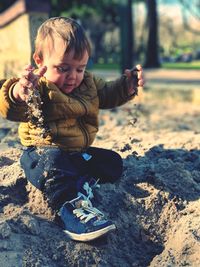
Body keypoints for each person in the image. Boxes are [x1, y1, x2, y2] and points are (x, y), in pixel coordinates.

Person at [0, 17, 144, 242]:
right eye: (63, 68)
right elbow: (10, 108)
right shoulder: (37, 86)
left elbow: (107, 95)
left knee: (113, 162)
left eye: (80, 68)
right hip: (42, 155)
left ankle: (80, 180)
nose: (73, 76)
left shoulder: (88, 83)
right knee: (55, 164)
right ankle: (70, 208)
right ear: (40, 60)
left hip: (75, 154)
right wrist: (20, 92)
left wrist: (126, 87)